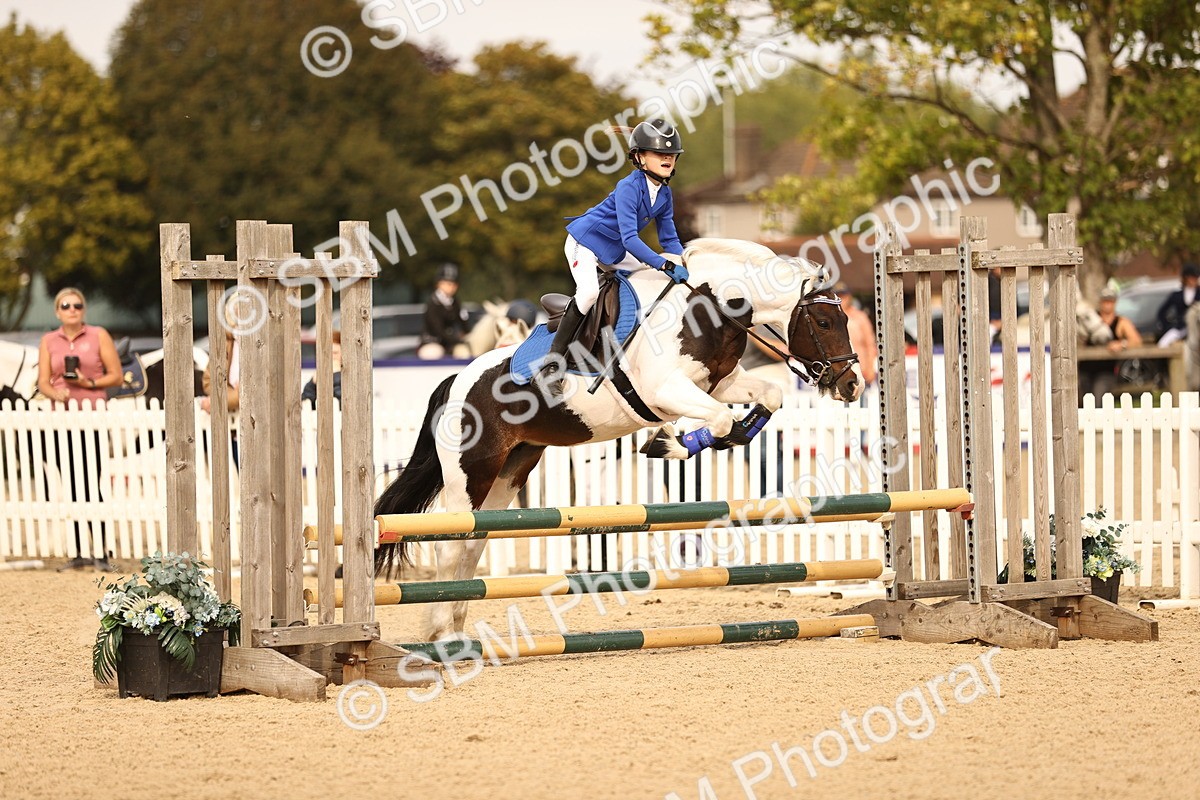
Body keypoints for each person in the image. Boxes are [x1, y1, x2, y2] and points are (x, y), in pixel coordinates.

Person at [537, 118, 690, 390]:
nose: (667, 158)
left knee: (650, 283)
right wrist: (664, 266)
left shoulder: (665, 194)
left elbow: (669, 238)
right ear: (639, 157)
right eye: (659, 153)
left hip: (615, 249)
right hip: (585, 242)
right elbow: (631, 238)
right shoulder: (629, 187)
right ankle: (552, 363)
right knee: (588, 294)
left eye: (671, 154)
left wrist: (685, 263)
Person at [36, 287, 122, 571]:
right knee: (71, 484)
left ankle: (102, 550)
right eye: (65, 306)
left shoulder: (99, 335)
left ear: (83, 310)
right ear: (57, 311)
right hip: (62, 418)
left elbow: (116, 376)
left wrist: (89, 384)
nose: (71, 310)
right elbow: (43, 381)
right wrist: (54, 394)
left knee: (91, 482)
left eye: (76, 305)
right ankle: (78, 551)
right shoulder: (49, 340)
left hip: (92, 416)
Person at [1080, 286, 1142, 399]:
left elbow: (1137, 341)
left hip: (1106, 370)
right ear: (1100, 302)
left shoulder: (1121, 322)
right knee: (1081, 398)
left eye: (1110, 301)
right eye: (1105, 301)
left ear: (1115, 302)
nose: (1107, 304)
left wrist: (1122, 344)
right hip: (1085, 368)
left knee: (1098, 397)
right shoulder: (1092, 318)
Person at [419, 263, 470, 359]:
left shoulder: (456, 302)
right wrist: (456, 339)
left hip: (449, 343)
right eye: (447, 283)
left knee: (464, 352)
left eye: (454, 284)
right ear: (438, 283)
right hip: (432, 341)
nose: (451, 286)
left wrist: (468, 336)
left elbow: (463, 323)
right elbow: (438, 330)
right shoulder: (433, 304)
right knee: (433, 353)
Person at [834, 283, 878, 386]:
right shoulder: (830, 318)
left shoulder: (860, 317)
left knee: (861, 400)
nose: (841, 299)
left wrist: (870, 368)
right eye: (838, 296)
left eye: (843, 296)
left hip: (860, 370)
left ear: (849, 297)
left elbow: (870, 344)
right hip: (838, 373)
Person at [1156, 262, 1199, 346]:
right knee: (1162, 344)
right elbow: (1161, 312)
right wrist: (1167, 326)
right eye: (1191, 277)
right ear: (1185, 278)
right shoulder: (1176, 295)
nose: (1194, 280)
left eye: (1195, 277)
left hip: (1197, 328)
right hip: (1181, 328)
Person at [301, 330, 341, 405]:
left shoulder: (352, 376)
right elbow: (306, 402)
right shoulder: (320, 375)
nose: (331, 357)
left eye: (335, 353)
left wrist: (336, 375)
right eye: (327, 353)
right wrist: (313, 383)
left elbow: (341, 401)